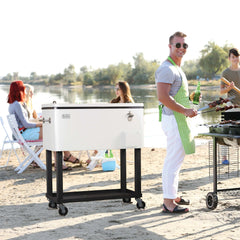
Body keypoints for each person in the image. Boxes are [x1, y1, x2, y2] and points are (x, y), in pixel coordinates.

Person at [155, 32, 198, 213]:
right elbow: (163, 97)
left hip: (178, 118)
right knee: (172, 161)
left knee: (176, 160)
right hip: (173, 119)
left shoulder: (176, 68)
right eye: (178, 45)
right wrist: (186, 110)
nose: (181, 48)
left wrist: (191, 101)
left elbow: (175, 94)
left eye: (184, 45)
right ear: (170, 46)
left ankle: (172, 195)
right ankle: (168, 202)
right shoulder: (167, 68)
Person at [7, 80, 80, 170]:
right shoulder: (17, 105)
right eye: (23, 89)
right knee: (53, 133)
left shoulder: (13, 104)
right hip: (24, 133)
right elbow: (26, 124)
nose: (25, 91)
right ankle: (60, 163)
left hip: (21, 133)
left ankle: (59, 161)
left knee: (52, 131)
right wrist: (41, 124)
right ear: (20, 90)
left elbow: (25, 122)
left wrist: (41, 123)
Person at [86, 81, 134, 165]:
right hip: (112, 127)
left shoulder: (129, 104)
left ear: (123, 89)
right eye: (115, 89)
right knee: (99, 129)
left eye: (118, 89)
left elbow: (130, 121)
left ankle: (97, 154)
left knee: (104, 132)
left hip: (122, 130)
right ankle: (98, 154)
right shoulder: (114, 102)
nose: (116, 91)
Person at [220, 48, 240, 164]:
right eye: (233, 57)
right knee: (226, 132)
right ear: (229, 58)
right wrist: (229, 88)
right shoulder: (225, 73)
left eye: (237, 57)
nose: (235, 59)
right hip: (231, 105)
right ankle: (224, 157)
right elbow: (222, 91)